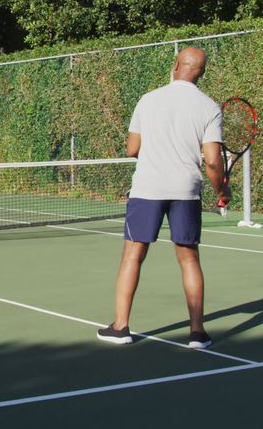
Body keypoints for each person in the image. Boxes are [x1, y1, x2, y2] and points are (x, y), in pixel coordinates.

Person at [97, 46, 229, 349]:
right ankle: (197, 333)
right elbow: (212, 161)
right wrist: (222, 190)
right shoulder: (209, 107)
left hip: (148, 189)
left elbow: (132, 148)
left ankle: (121, 327)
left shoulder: (148, 100)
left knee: (133, 254)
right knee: (189, 257)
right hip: (187, 191)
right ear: (202, 73)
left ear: (176, 65)